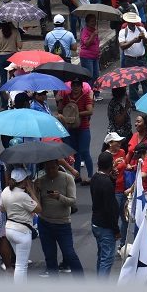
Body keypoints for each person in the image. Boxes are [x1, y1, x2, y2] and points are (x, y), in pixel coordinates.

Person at [35, 159, 84, 278]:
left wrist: (59, 197)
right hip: (44, 223)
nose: (50, 171)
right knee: (50, 257)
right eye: (47, 168)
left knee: (69, 254)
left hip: (62, 224)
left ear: (58, 166)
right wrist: (35, 190)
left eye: (53, 167)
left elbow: (72, 201)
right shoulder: (40, 180)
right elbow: (37, 206)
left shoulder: (67, 178)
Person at [0, 168, 41, 283]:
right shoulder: (23, 196)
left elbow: (2, 209)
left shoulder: (5, 191)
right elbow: (39, 209)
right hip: (22, 232)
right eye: (27, 179)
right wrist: (31, 191)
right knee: (21, 266)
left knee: (20, 263)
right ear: (23, 181)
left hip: (9, 230)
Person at [57, 78, 94, 184]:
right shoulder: (66, 97)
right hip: (71, 128)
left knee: (85, 151)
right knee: (75, 152)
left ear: (81, 87)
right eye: (74, 85)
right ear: (71, 86)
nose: (76, 87)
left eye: (78, 85)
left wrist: (76, 113)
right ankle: (77, 176)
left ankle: (90, 176)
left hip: (83, 128)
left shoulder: (85, 97)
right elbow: (60, 110)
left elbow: (90, 111)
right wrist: (60, 100)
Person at [90, 151, 120, 279]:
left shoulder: (95, 178)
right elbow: (109, 209)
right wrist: (116, 230)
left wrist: (112, 179)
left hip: (96, 223)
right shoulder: (106, 183)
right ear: (111, 165)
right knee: (107, 259)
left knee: (101, 256)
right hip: (106, 227)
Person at [118, 12, 147, 101]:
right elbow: (122, 46)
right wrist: (134, 41)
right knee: (133, 83)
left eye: (134, 22)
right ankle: (134, 102)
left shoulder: (141, 29)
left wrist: (143, 38)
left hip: (142, 59)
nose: (132, 23)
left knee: (145, 81)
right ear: (127, 22)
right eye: (131, 22)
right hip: (130, 60)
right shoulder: (123, 32)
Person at [79, 14, 101, 100]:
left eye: (95, 21)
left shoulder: (94, 30)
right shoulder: (85, 31)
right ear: (87, 22)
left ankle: (96, 93)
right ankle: (88, 94)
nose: (94, 23)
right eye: (92, 21)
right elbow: (87, 43)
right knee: (89, 76)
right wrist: (93, 35)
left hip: (95, 56)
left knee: (96, 75)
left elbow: (96, 43)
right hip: (87, 57)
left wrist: (98, 51)